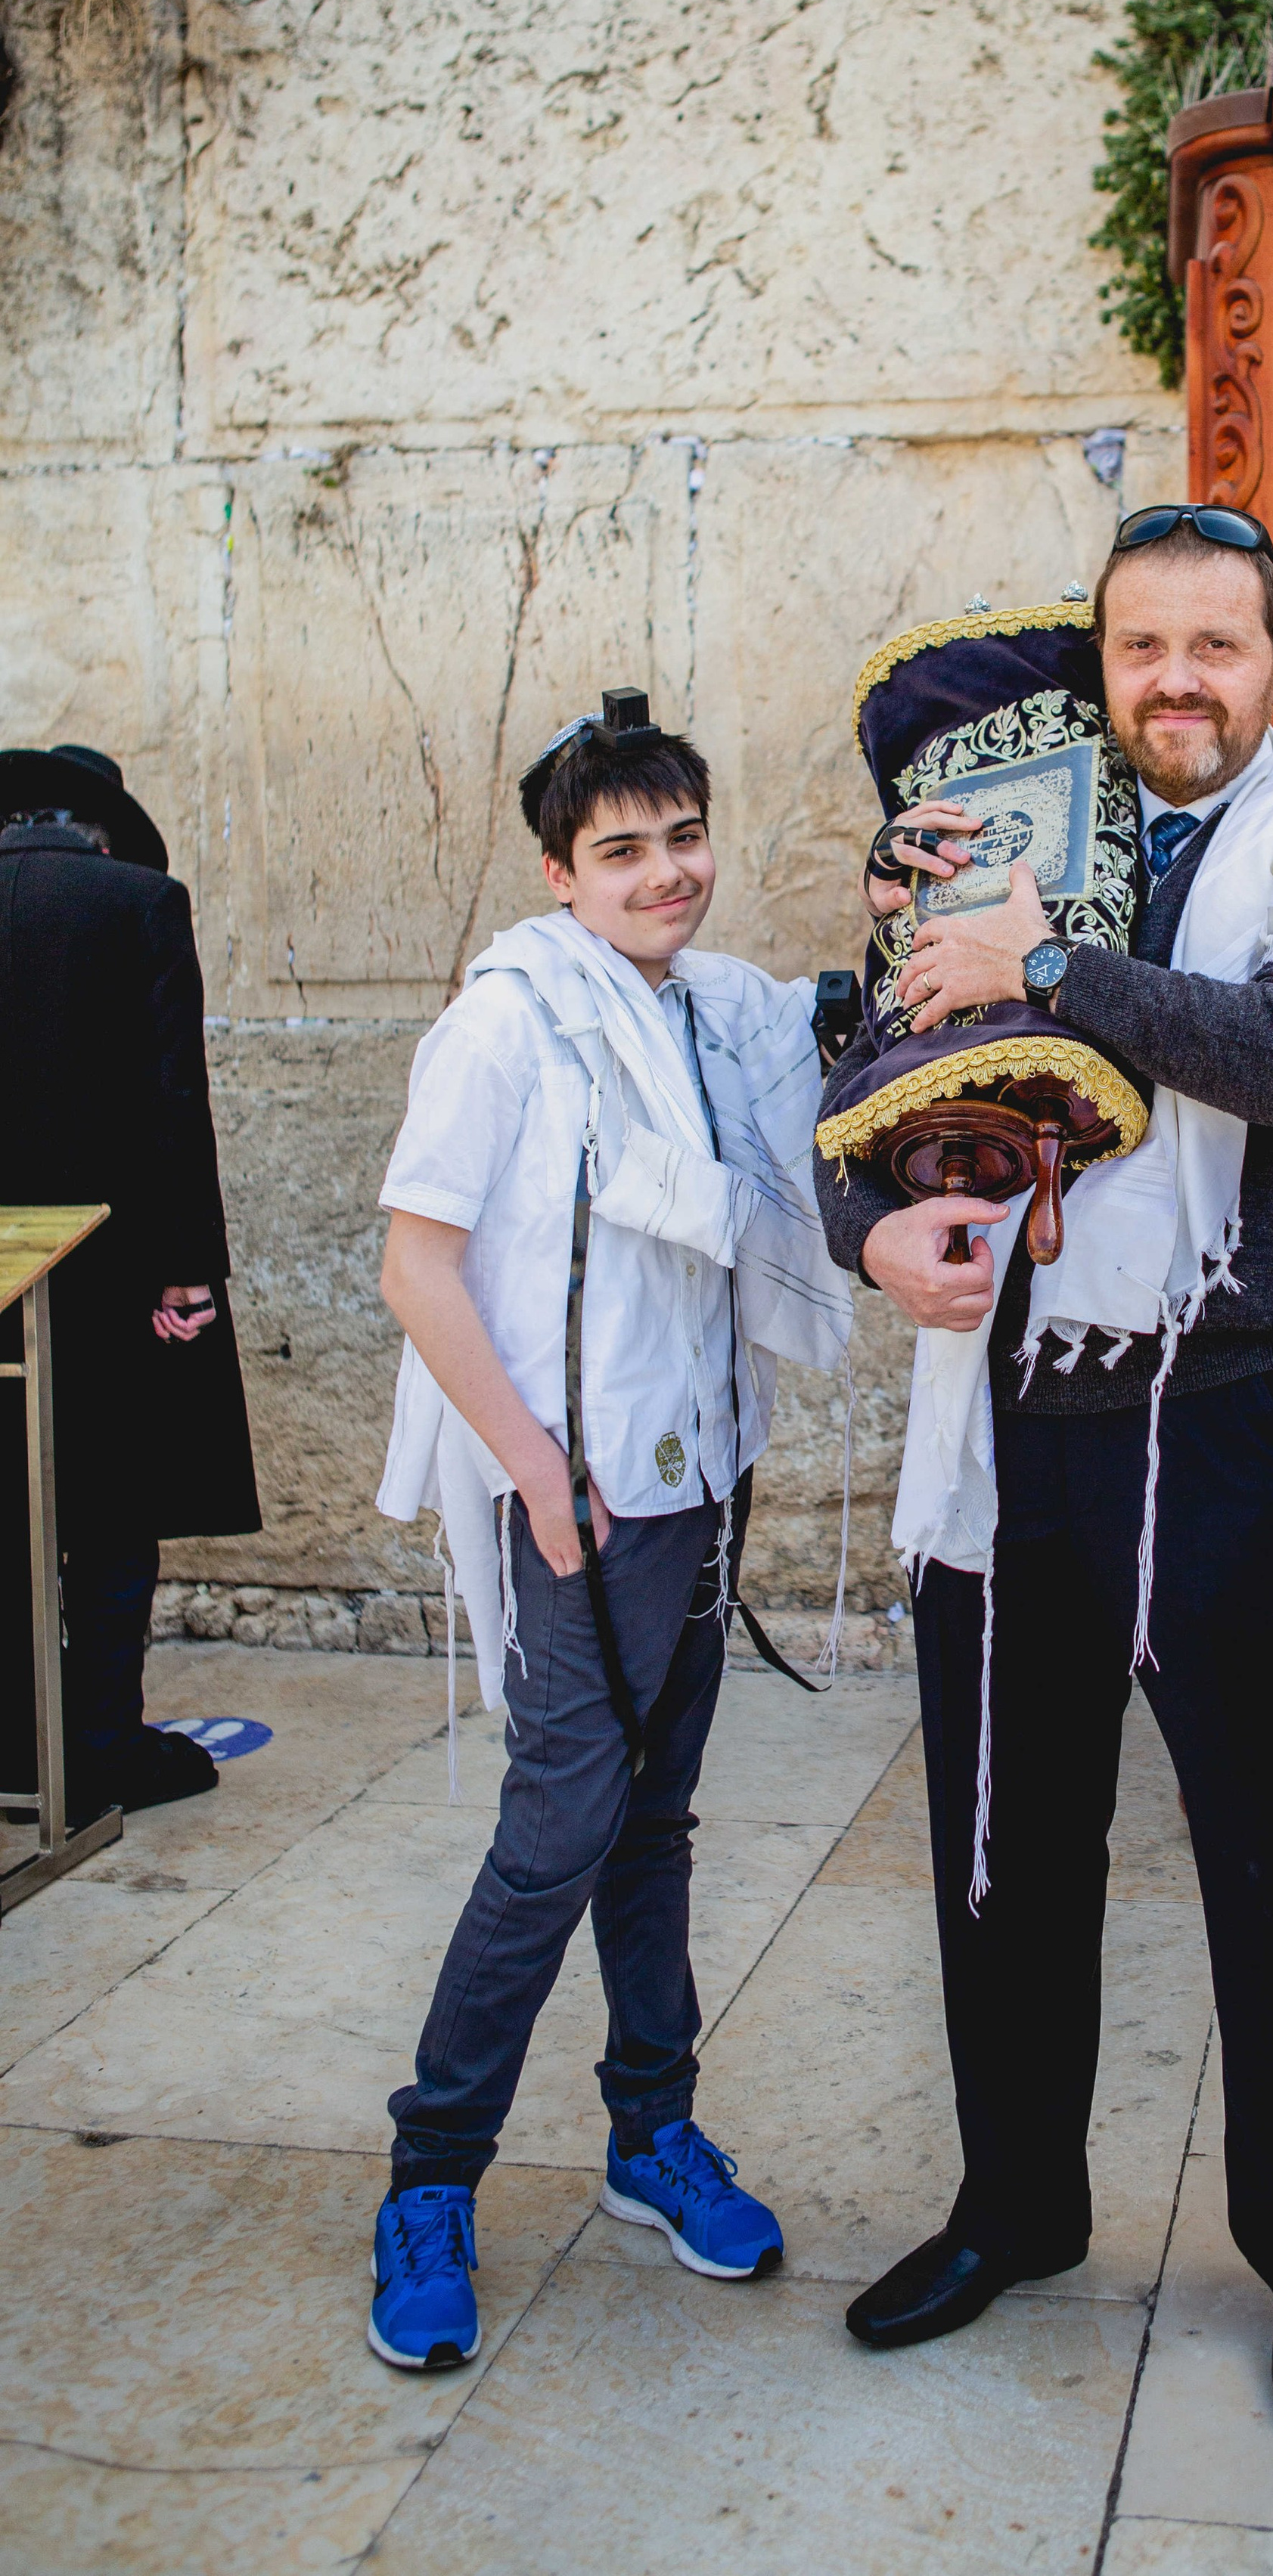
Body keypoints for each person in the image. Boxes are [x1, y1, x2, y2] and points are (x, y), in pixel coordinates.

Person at [813, 507, 1273, 2428]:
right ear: (1100, 660)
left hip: (1231, 1408)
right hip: (1014, 1416)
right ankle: (1015, 2208)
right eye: (1139, 648)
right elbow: (866, 1052)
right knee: (1008, 1850)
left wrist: (1056, 965)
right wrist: (871, 1224)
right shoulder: (1007, 816)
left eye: (1212, 647)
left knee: (1265, 1848)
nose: (1174, 682)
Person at [366, 693, 851, 2373]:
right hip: (561, 1490)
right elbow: (415, 1265)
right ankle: (430, 2172)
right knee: (558, 1826)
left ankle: (652, 2134)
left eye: (682, 837)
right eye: (623, 849)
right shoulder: (507, 1022)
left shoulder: (718, 1011)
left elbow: (823, 1057)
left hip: (692, 1477)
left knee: (653, 1826)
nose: (665, 873)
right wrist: (535, 1470)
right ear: (561, 870)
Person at [0, 742, 259, 1824]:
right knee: (108, 1511)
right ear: (103, 830)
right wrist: (189, 1272)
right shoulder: (138, 902)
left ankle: (20, 1741)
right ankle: (99, 1742)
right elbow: (171, 1102)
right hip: (105, 1275)